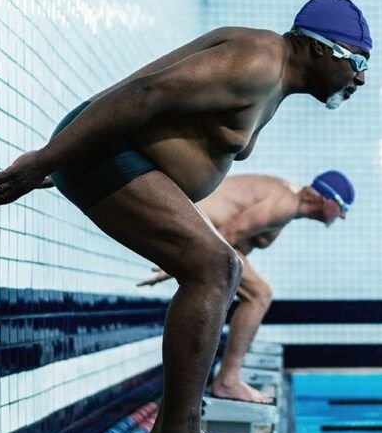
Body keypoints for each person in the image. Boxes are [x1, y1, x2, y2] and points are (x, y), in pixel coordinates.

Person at [0, 0, 372, 433]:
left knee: (220, 270)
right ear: (318, 48)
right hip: (106, 155)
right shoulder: (259, 59)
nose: (360, 78)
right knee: (216, 268)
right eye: (356, 62)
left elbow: (165, 123)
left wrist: (57, 167)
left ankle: (182, 430)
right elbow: (145, 94)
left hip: (112, 158)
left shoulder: (272, 78)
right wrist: (49, 158)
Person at [138, 171, 355, 404]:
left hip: (199, 226)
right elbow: (232, 232)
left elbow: (238, 241)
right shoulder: (286, 203)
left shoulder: (287, 204)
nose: (342, 216)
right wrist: (180, 260)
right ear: (326, 199)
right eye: (343, 208)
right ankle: (227, 382)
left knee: (240, 289)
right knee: (259, 295)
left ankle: (216, 379)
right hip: (191, 226)